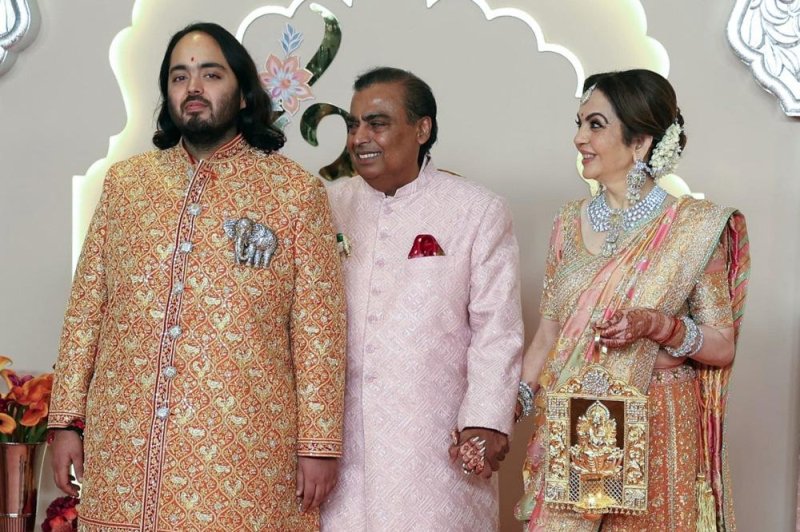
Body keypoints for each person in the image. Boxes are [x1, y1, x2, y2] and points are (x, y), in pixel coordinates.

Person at [47, 22, 347, 531]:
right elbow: (86, 311)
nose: (194, 89)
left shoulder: (294, 193)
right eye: (179, 76)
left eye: (211, 74)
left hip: (245, 447)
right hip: (126, 442)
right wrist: (65, 422)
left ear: (244, 92)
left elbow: (319, 331)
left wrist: (319, 444)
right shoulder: (126, 185)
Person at [515, 69, 749, 531]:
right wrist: (508, 410)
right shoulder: (567, 220)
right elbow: (548, 334)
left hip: (658, 422)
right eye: (579, 123)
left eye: (595, 125)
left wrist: (659, 326)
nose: (579, 138)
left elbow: (721, 345)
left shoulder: (692, 228)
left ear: (641, 142)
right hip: (576, 424)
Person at [319, 67, 524, 531]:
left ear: (422, 128)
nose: (359, 138)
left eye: (377, 123)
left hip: (434, 444)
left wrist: (487, 420)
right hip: (338, 446)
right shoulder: (325, 206)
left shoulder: (476, 210)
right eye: (353, 126)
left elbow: (498, 329)